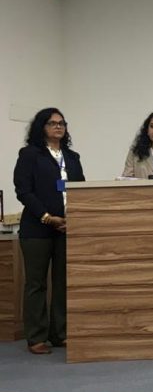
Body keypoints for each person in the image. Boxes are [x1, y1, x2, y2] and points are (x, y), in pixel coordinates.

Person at [13, 108, 85, 354]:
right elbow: (23, 190)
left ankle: (60, 333)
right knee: (36, 284)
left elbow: (81, 189)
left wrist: (73, 217)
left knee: (63, 282)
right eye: (52, 123)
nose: (58, 126)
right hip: (37, 228)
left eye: (62, 123)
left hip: (67, 228)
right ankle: (36, 337)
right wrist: (46, 217)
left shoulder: (72, 157)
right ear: (41, 127)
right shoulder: (30, 155)